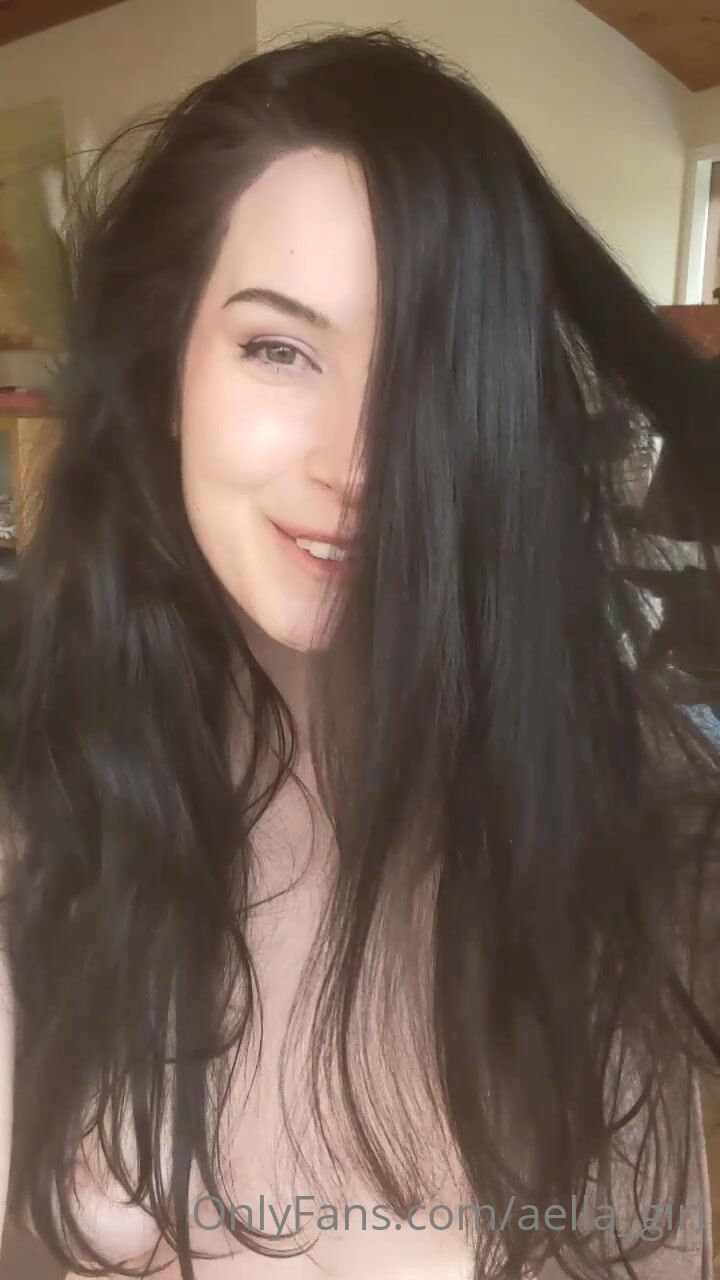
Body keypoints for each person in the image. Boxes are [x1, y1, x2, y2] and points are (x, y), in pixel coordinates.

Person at [0, 26, 719, 1280]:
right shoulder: (39, 791)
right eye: (279, 349)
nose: (357, 463)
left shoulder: (615, 827)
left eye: (429, 377)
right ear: (170, 373)